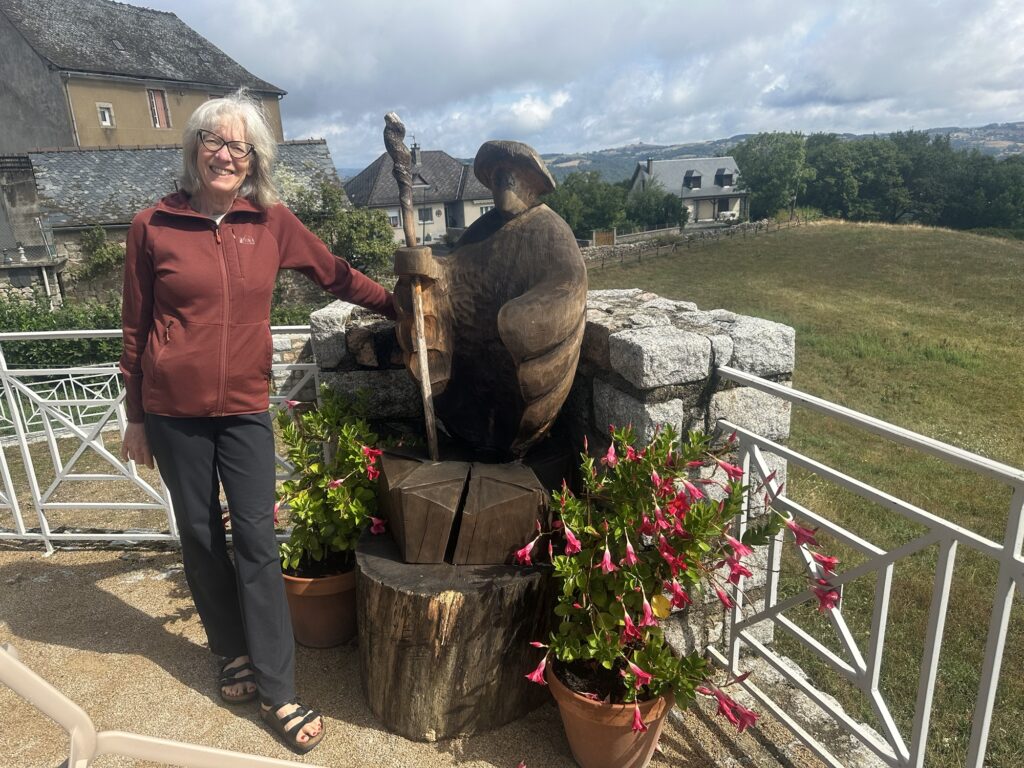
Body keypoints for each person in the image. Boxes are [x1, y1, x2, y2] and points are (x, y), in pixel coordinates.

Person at [118, 90, 395, 754]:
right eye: (214, 141)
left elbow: (334, 274)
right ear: (194, 149)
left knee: (258, 541)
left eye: (239, 146)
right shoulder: (152, 225)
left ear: (253, 160)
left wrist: (397, 305)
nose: (225, 154)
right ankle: (231, 651)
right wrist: (135, 416)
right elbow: (135, 327)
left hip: (243, 409)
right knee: (199, 536)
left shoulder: (270, 221)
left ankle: (278, 688)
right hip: (171, 411)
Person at [393, 140, 587, 459]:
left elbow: (568, 281)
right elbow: (452, 270)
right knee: (469, 410)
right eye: (497, 178)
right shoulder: (483, 229)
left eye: (509, 177)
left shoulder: (550, 229)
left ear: (531, 181)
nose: (502, 186)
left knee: (511, 415)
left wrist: (527, 317)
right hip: (472, 363)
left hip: (512, 364)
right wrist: (424, 266)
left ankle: (514, 440)